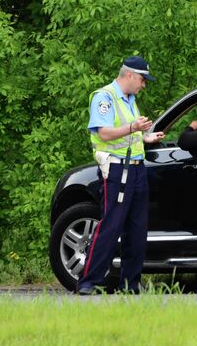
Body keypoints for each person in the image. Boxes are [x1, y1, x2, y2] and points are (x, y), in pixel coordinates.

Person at [77, 56, 165, 295]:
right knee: (112, 225)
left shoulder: (130, 99)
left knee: (137, 228)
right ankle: (88, 282)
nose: (143, 85)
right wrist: (133, 128)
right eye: (142, 79)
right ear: (129, 75)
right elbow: (104, 133)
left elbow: (128, 135)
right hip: (116, 170)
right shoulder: (104, 97)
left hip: (136, 168)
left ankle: (131, 283)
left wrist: (145, 138)